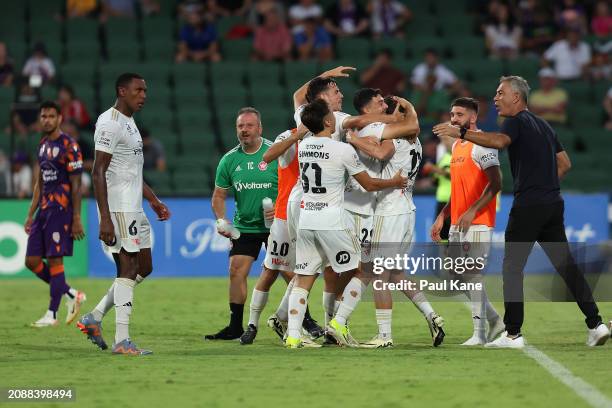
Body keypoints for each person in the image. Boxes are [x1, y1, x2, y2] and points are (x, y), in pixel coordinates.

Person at [433, 75, 610, 348]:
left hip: (528, 205)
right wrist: (546, 186)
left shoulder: (514, 122)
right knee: (566, 265)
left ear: (516, 97)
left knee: (512, 267)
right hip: (552, 204)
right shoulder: (544, 125)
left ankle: (512, 333)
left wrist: (463, 133)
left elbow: (501, 142)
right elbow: (564, 163)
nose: (495, 98)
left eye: (500, 92)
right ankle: (596, 324)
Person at [285, 99, 407, 348]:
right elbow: (369, 184)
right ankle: (338, 322)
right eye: (333, 115)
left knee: (303, 278)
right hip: (332, 221)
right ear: (328, 122)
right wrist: (394, 182)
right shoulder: (342, 150)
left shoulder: (305, 145)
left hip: (307, 219)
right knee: (367, 269)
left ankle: (294, 336)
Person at [77, 73, 171, 355]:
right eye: (138, 90)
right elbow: (98, 171)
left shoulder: (130, 123)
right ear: (122, 90)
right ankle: (122, 341)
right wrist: (104, 217)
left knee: (145, 267)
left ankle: (93, 317)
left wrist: (153, 200)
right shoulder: (110, 123)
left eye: (145, 90)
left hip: (134, 206)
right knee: (128, 268)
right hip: (118, 208)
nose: (143, 95)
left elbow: (130, 169)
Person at [240, 125, 324, 345]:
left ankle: (283, 319)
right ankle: (252, 325)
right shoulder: (289, 135)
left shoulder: (328, 134)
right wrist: (297, 135)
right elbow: (268, 156)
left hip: (313, 213)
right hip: (286, 214)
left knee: (307, 270)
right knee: (271, 269)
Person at [430, 97, 505, 346]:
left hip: (479, 220)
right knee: (456, 274)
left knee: (472, 274)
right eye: (452, 114)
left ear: (473, 118)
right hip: (458, 223)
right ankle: (496, 321)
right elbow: (457, 188)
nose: (454, 119)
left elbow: (496, 183)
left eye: (460, 115)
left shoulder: (482, 146)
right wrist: (443, 215)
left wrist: (473, 211)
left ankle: (479, 334)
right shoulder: (457, 147)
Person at [207, 107, 278, 341]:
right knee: (236, 270)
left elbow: (295, 186)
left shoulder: (275, 153)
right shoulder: (229, 160)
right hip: (245, 226)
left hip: (275, 224)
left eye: (249, 125)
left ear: (260, 128)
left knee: (288, 272)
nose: (244, 130)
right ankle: (235, 326)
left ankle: (305, 320)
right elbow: (218, 195)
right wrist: (220, 218)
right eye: (240, 126)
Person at [23, 101, 86, 327]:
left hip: (61, 210)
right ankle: (70, 294)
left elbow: (77, 184)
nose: (47, 120)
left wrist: (76, 217)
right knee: (31, 261)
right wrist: (31, 213)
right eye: (43, 116)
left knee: (54, 259)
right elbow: (39, 182)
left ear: (60, 118)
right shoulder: (41, 146)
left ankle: (52, 314)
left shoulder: (69, 145)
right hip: (43, 210)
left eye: (51, 116)